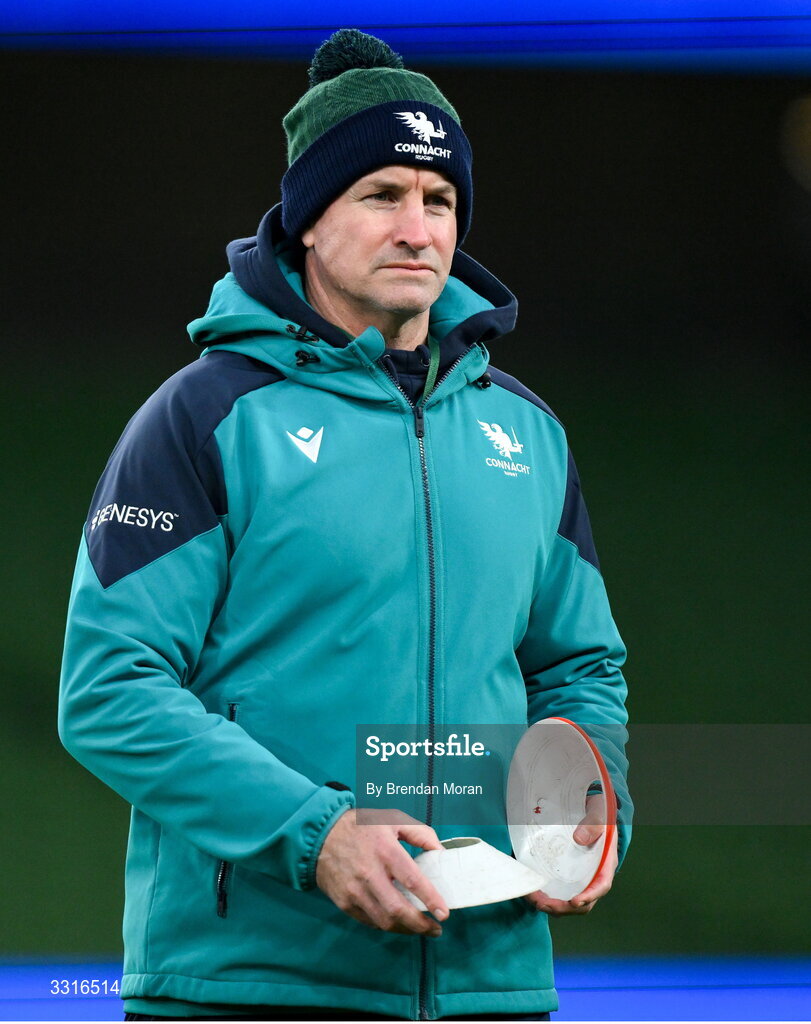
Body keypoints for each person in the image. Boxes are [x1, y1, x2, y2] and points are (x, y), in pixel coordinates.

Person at [59, 29, 631, 1022]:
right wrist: (315, 832)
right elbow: (109, 687)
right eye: (380, 194)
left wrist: (587, 802)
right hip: (252, 984)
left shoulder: (526, 433)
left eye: (439, 200)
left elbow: (578, 666)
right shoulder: (205, 417)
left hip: (490, 985)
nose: (417, 228)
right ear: (308, 222)